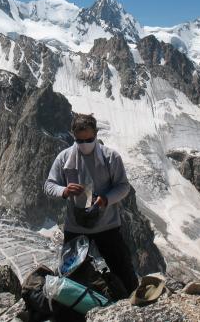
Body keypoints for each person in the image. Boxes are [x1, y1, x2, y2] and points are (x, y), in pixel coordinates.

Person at [43, 113, 139, 296]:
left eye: (90, 139)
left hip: (108, 226)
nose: (85, 144)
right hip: (76, 227)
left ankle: (135, 305)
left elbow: (123, 186)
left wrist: (106, 199)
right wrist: (64, 191)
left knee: (124, 271)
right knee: (71, 275)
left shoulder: (111, 158)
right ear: (74, 136)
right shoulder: (64, 159)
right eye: (80, 140)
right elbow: (49, 185)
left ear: (96, 134)